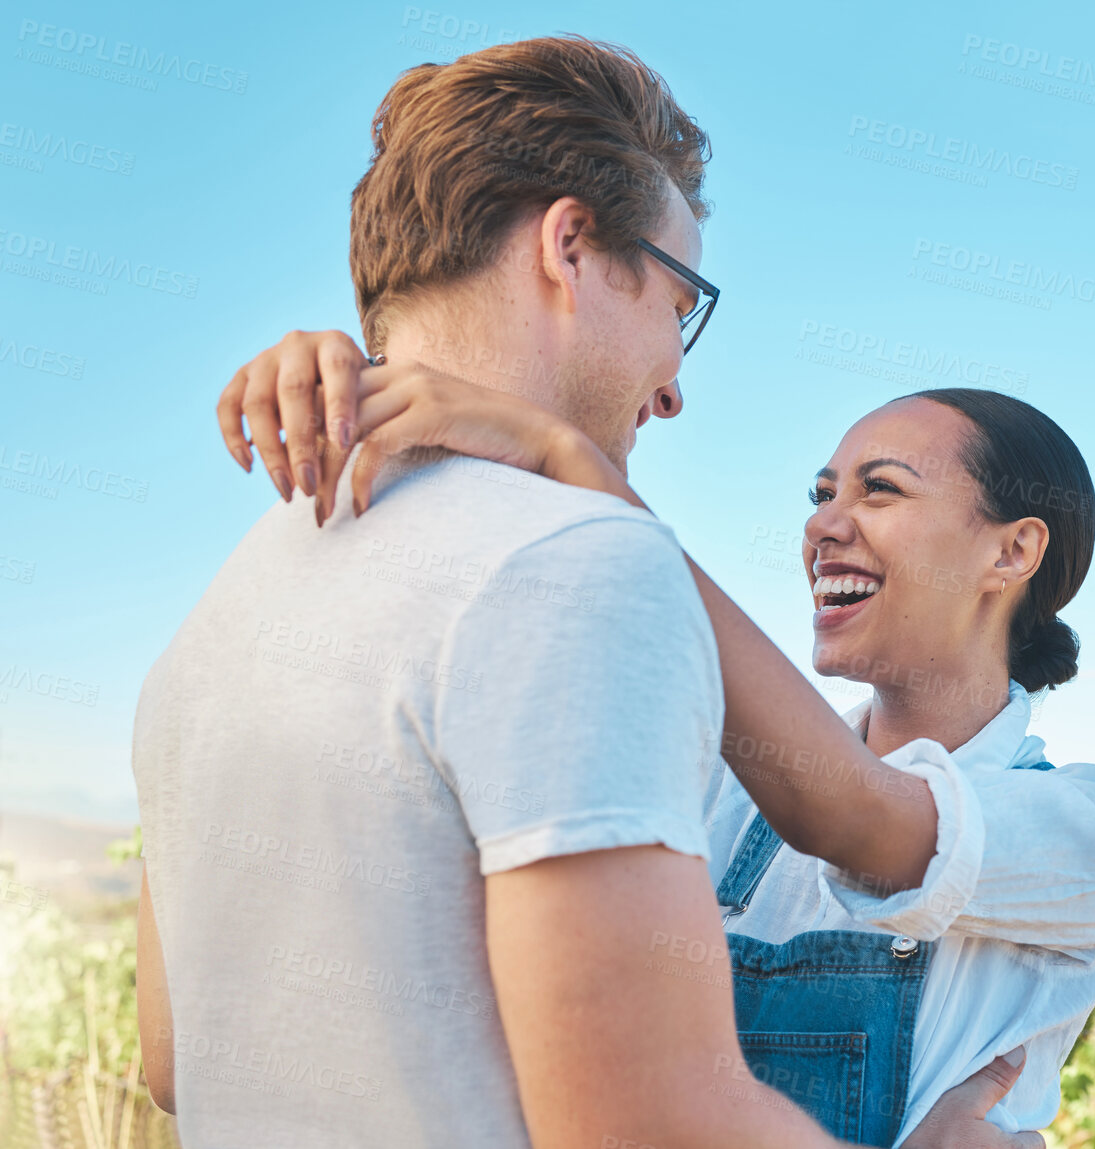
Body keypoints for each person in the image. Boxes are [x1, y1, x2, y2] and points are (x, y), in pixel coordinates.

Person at [133, 34, 1036, 1149]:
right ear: (569, 246)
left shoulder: (213, 622)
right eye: (679, 300)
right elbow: (646, 1123)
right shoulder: (575, 562)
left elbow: (177, 1061)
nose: (673, 387)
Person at [216, 323, 1095, 1144]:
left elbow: (855, 818)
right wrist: (346, 374)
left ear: (1012, 550)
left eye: (879, 491)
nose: (825, 525)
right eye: (820, 492)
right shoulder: (719, 785)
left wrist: (570, 462)